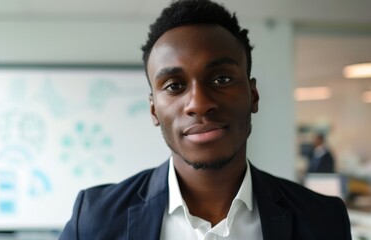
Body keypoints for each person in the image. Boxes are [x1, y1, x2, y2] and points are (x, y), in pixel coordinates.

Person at [59, 0, 352, 239]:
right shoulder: (95, 219)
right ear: (153, 110)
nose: (199, 104)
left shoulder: (322, 219)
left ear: (253, 96)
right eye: (174, 86)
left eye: (221, 79)